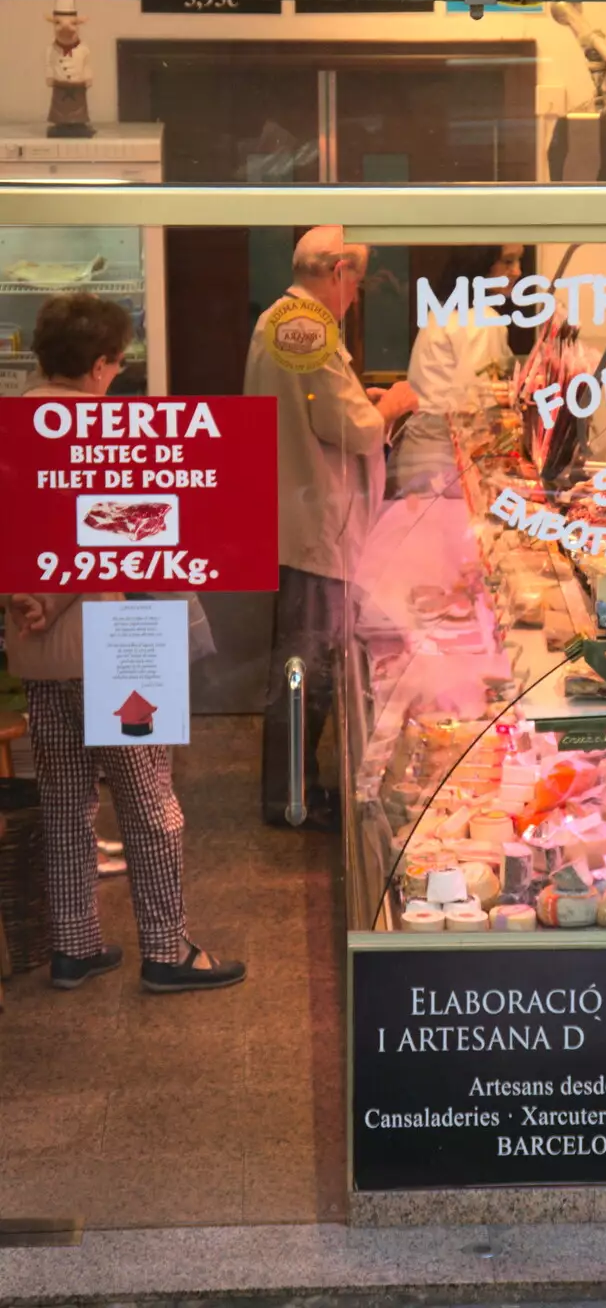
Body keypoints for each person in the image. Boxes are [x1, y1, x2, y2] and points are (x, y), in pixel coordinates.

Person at [2, 293, 245, 992]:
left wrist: (32, 597)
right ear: (102, 366)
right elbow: (127, 532)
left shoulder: (12, 427)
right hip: (127, 639)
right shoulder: (114, 432)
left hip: (37, 652)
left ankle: (74, 946)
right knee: (149, 804)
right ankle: (169, 952)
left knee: (65, 800)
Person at [244, 227, 417, 828]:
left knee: (304, 664)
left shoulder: (281, 318)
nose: (357, 295)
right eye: (358, 282)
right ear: (339, 269)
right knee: (304, 669)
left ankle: (294, 790)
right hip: (316, 519)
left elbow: (323, 411)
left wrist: (363, 404)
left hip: (303, 513)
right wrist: (391, 404)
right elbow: (356, 429)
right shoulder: (306, 326)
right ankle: (290, 799)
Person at [388, 244, 523, 497]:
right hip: (451, 464)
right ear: (479, 265)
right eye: (507, 261)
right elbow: (476, 405)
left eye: (518, 261)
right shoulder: (483, 321)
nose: (517, 271)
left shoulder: (443, 312)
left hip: (419, 456)